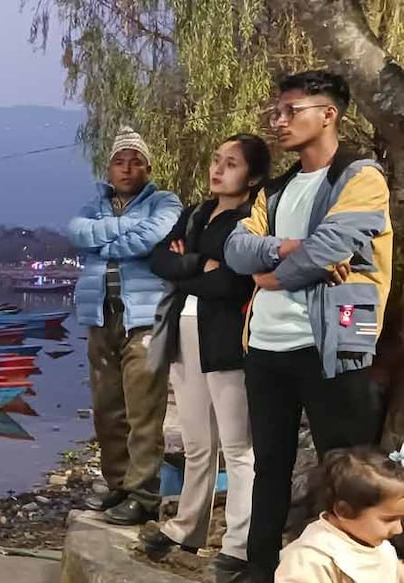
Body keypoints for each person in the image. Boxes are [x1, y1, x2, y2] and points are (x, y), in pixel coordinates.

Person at [224, 71, 394, 582]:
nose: (278, 121)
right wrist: (287, 247)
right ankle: (261, 567)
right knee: (270, 465)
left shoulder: (360, 178)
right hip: (266, 346)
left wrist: (271, 273)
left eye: (291, 111)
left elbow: (330, 247)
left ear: (328, 114)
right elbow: (236, 250)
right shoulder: (274, 191)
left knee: (345, 469)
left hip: (332, 344)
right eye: (275, 112)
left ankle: (351, 569)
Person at [142, 134, 269, 580]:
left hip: (227, 337)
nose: (218, 169)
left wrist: (186, 269)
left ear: (252, 176)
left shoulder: (250, 219)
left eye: (231, 164)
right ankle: (186, 527)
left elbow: (233, 284)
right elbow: (159, 260)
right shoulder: (197, 212)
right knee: (197, 442)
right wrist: (199, 264)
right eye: (217, 160)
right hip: (184, 329)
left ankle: (238, 544)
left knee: (237, 447)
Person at [68, 126, 183, 525]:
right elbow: (76, 233)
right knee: (107, 408)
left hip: (144, 319)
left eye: (136, 162)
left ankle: (144, 493)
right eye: (120, 161)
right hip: (101, 317)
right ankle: (117, 483)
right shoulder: (94, 205)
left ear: (148, 168)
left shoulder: (164, 202)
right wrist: (123, 229)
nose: (127, 168)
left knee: (143, 409)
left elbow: (151, 237)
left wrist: (103, 243)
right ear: (109, 168)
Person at [275, 446, 404, 582]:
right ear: (344, 511)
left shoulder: (376, 543)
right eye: (389, 520)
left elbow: (392, 571)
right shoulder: (310, 560)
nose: (399, 529)